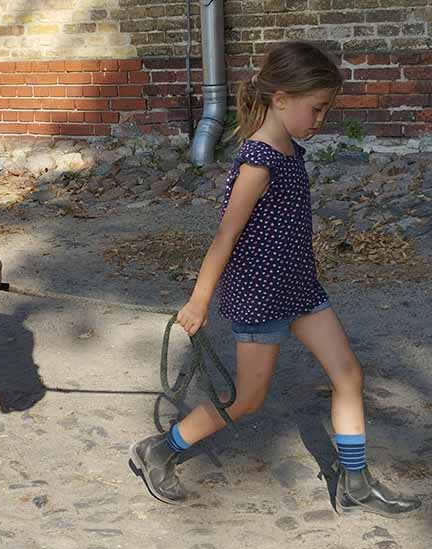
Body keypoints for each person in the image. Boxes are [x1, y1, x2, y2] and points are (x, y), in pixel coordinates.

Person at [129, 41, 422, 518]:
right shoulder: (258, 163)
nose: (322, 119)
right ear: (281, 98)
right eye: (317, 108)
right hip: (262, 296)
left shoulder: (290, 150)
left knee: (349, 375)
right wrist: (199, 302)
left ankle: (356, 483)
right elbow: (225, 237)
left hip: (300, 288)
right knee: (246, 400)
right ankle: (161, 449)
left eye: (327, 109)